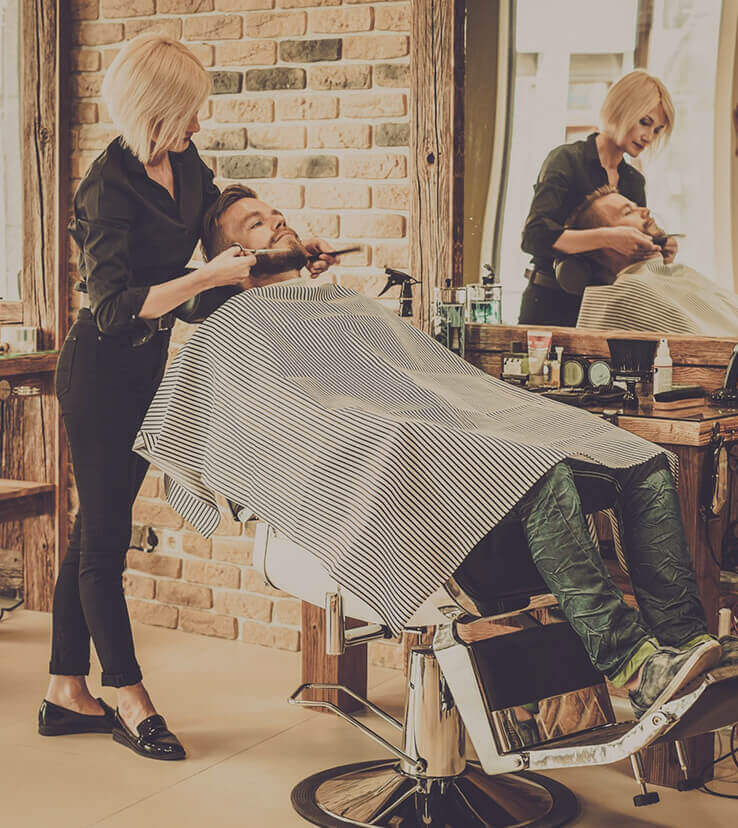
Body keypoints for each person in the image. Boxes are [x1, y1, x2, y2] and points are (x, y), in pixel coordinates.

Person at [135, 185, 738, 722]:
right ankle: (632, 664)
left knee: (639, 458)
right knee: (536, 469)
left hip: (442, 432)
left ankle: (684, 646)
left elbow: (421, 380)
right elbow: (292, 427)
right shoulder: (233, 327)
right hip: (392, 467)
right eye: (257, 224)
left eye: (276, 215)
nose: (278, 224)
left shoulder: (341, 304)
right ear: (231, 259)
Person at [41, 35, 337, 761]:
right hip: (97, 374)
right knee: (104, 538)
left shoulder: (187, 165)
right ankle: (129, 696)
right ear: (154, 108)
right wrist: (206, 278)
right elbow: (116, 309)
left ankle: (63, 690)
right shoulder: (106, 189)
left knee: (92, 531)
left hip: (148, 372)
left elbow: (211, 278)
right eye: (188, 112)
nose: (199, 125)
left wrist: (290, 257)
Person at [518, 70, 678, 327]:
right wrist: (607, 237)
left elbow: (631, 261)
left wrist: (660, 251)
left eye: (657, 130)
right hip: (548, 303)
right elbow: (534, 236)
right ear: (621, 109)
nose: (649, 137)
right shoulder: (566, 160)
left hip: (603, 310)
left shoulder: (634, 182)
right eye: (644, 122)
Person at [564, 186, 738, 335]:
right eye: (628, 212)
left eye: (636, 206)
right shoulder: (625, 296)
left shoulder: (672, 273)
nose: (645, 211)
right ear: (609, 240)